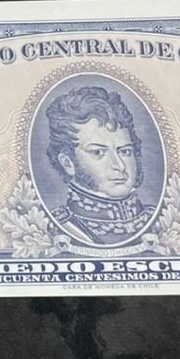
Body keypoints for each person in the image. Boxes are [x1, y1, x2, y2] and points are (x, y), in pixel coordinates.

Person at [43, 81, 151, 247]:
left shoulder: (160, 221)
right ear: (67, 163)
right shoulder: (58, 228)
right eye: (98, 152)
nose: (120, 166)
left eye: (125, 151)